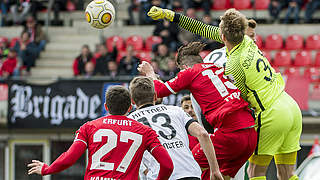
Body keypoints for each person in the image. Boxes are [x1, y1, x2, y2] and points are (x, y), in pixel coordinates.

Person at [147, 7, 302, 180]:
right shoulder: (247, 41)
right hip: (290, 105)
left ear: (222, 36)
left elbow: (239, 97)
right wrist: (172, 16)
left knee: (255, 173)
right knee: (287, 175)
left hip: (270, 113)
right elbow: (202, 28)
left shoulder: (234, 65)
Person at [138, 42, 257, 179]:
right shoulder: (216, 67)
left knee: (187, 168)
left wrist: (150, 72)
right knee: (221, 176)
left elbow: (159, 91)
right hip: (250, 133)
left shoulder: (190, 72)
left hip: (230, 134)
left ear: (184, 67)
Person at [27, 85, 174, 180]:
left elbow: (69, 158)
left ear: (106, 106)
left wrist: (47, 169)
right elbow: (167, 165)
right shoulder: (145, 131)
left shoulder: (89, 127)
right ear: (130, 108)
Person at [128, 76, 224, 180]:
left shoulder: (130, 121)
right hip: (190, 173)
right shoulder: (176, 110)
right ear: (155, 96)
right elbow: (203, 134)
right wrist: (215, 170)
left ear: (132, 101)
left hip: (161, 176)